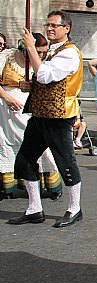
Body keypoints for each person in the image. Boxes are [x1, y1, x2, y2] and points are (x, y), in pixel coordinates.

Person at [8, 11, 84, 227]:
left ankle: (74, 207)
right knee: (24, 159)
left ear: (66, 28)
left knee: (65, 161)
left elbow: (45, 75)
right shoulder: (53, 51)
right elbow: (45, 80)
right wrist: (31, 86)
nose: (49, 29)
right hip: (40, 113)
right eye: (48, 25)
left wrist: (31, 47)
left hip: (59, 116)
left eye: (54, 25)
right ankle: (34, 208)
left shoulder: (69, 53)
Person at [1, 33, 63, 201]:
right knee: (7, 144)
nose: (41, 55)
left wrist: (33, 85)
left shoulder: (46, 61)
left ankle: (49, 184)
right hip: (7, 109)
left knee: (39, 146)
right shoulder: (7, 57)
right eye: (37, 51)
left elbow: (52, 83)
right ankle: (7, 185)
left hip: (32, 108)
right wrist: (7, 97)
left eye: (43, 52)